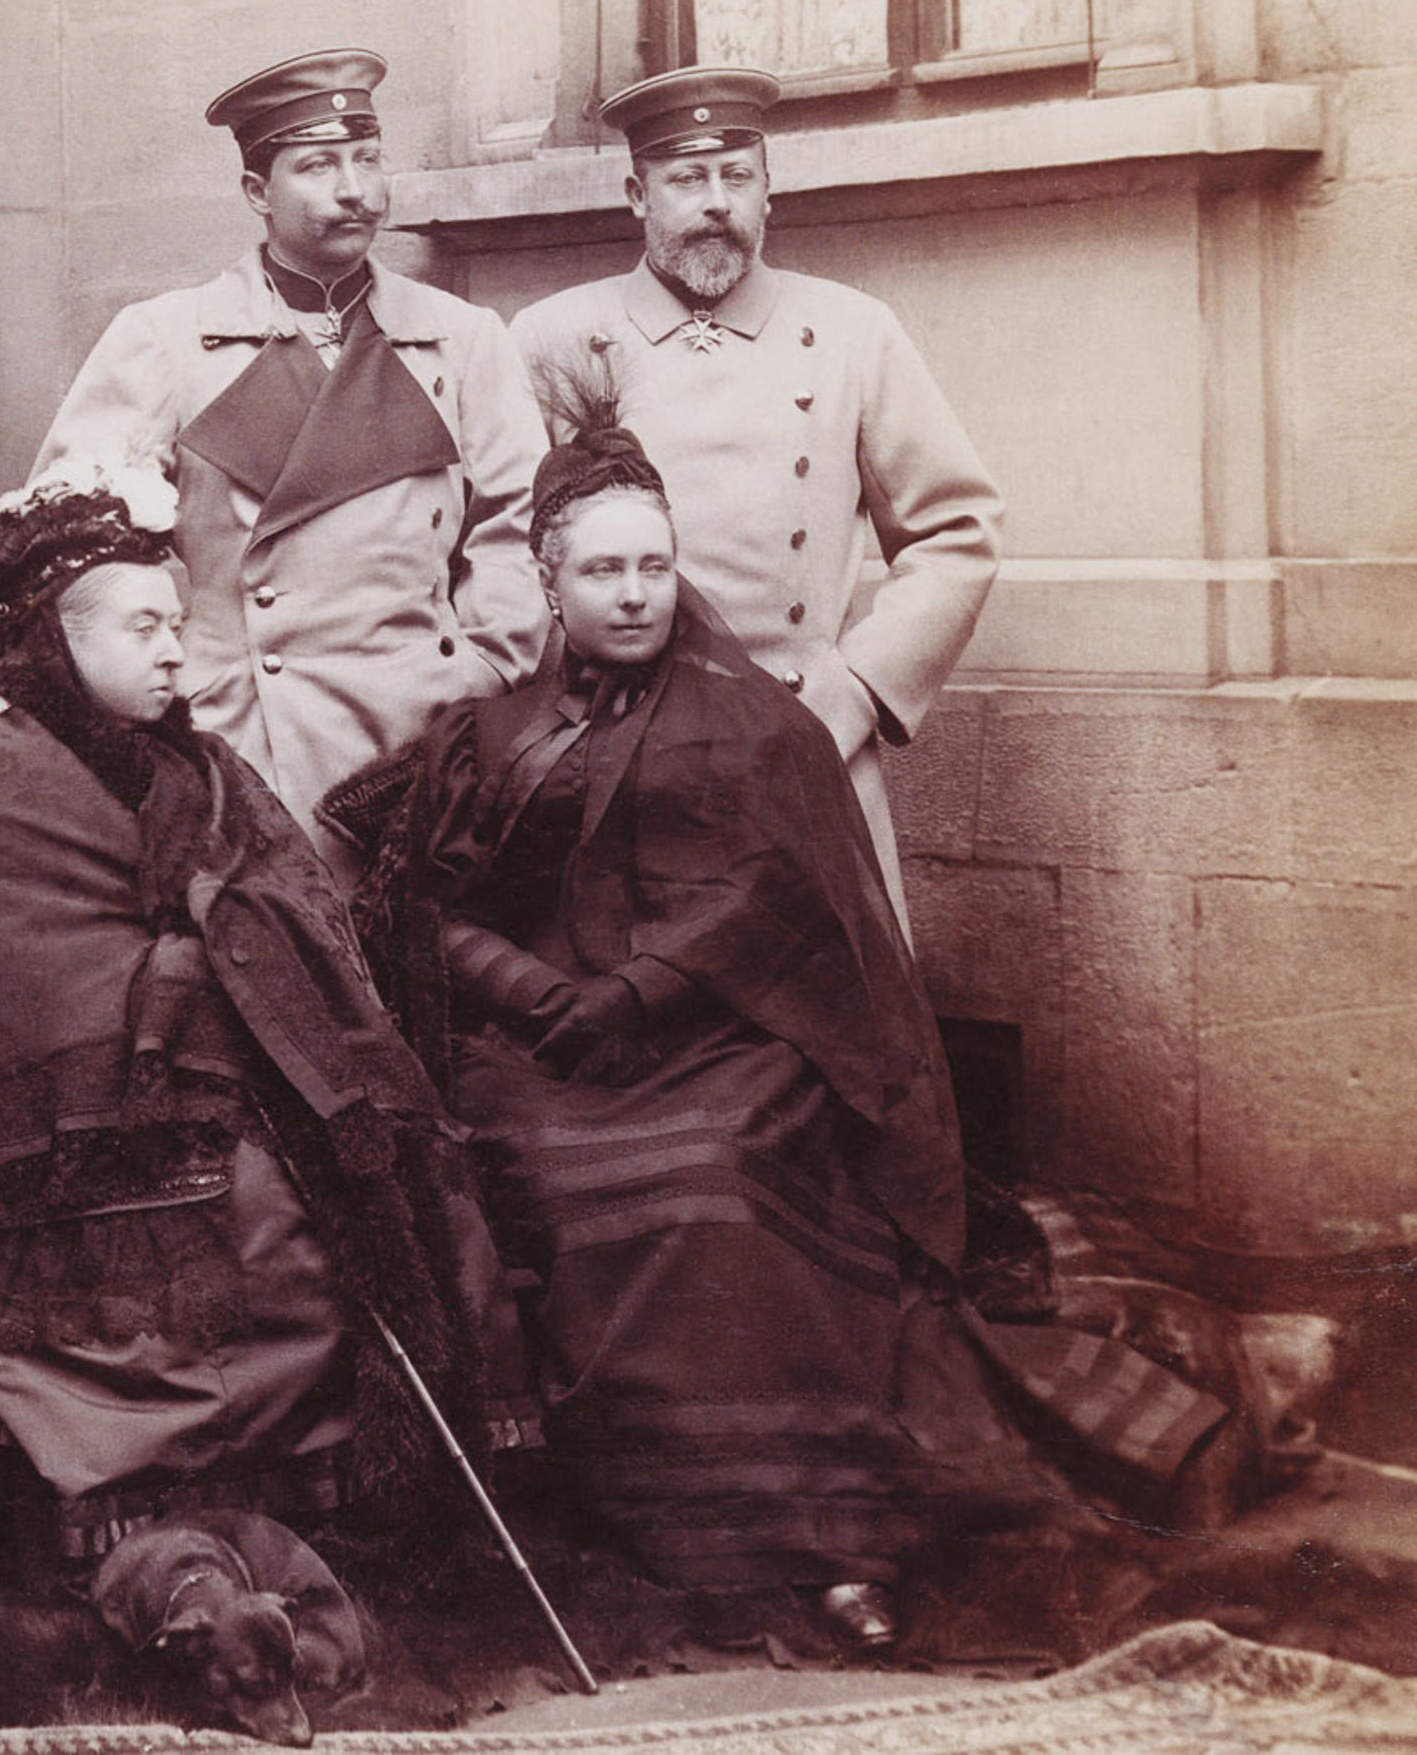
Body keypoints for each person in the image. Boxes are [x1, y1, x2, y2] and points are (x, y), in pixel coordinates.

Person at [326, 386, 1228, 1650]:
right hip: (535, 1051)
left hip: (730, 1039)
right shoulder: (492, 730)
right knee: (553, 1174)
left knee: (712, 1171)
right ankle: (667, 1512)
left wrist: (639, 989)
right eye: (602, 570)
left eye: (653, 563)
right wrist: (532, 991)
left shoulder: (756, 722)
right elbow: (422, 901)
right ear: (547, 578)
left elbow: (778, 899)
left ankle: (815, 1530)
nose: (634, 592)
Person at [0, 461, 529, 1573]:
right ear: (57, 645)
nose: (173, 650)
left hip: (215, 1066)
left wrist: (238, 962)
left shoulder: (202, 767)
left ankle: (344, 1494)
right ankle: (148, 1486)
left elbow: (291, 904)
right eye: (141, 627)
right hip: (91, 1102)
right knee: (261, 1204)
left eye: (178, 624)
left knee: (404, 1152)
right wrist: (182, 986)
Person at [0, 50, 547, 879]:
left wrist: (482, 666)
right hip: (234, 740)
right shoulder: (164, 340)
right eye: (317, 165)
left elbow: (519, 529)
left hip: (419, 736)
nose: (354, 188)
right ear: (255, 194)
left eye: (367, 157)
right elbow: (55, 547)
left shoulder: (462, 339)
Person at [507, 66, 1002, 925]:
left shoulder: (851, 332)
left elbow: (956, 528)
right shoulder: (551, 338)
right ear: (637, 193)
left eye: (737, 177)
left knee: (827, 1014)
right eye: (686, 179)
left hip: (801, 738)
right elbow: (507, 543)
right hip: (612, 751)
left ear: (767, 193)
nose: (714, 203)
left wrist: (854, 690)